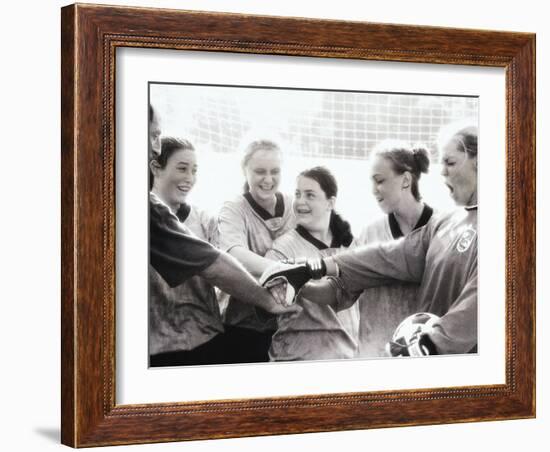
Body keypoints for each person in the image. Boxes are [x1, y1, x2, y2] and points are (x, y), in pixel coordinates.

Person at [261, 122, 479, 356]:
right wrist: (312, 269)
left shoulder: (505, 231)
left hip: (440, 366)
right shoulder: (444, 224)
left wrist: (430, 345)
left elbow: (482, 302)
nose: (443, 171)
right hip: (388, 361)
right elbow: (385, 258)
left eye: (451, 162)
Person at [147, 107, 297, 366]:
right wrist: (277, 285)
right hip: (159, 346)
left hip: (207, 338)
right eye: (182, 168)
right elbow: (220, 263)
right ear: (155, 168)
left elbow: (224, 264)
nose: (189, 178)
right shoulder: (149, 214)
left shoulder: (205, 219)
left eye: (194, 170)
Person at [265, 167, 359, 361]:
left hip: (347, 357)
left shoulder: (352, 246)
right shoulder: (282, 249)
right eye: (298, 194)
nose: (300, 202)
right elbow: (272, 302)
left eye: (310, 195)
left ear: (330, 203)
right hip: (298, 358)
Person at [217, 139, 296, 362]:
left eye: (275, 171)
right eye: (260, 171)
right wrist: (284, 270)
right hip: (242, 325)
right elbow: (234, 253)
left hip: (288, 323)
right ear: (245, 170)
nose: (268, 179)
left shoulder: (294, 206)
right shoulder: (233, 208)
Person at [353, 141, 434, 357]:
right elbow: (343, 290)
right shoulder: (370, 234)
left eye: (380, 181)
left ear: (406, 180)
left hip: (425, 361)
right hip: (374, 358)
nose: (373, 190)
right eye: (372, 182)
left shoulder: (443, 231)